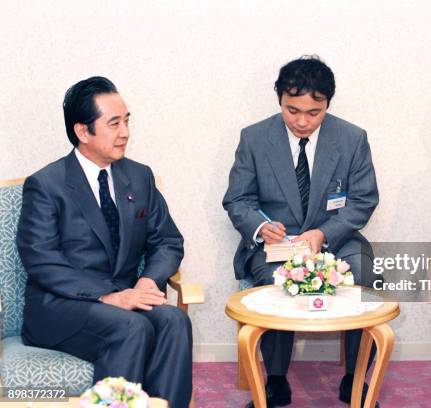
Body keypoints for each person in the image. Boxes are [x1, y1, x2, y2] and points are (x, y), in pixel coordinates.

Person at [17, 76, 193, 408]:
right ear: (83, 131)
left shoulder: (139, 176)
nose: (125, 132)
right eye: (114, 123)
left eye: (127, 121)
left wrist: (146, 281)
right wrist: (109, 296)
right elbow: (40, 260)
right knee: (130, 327)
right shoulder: (46, 185)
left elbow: (168, 240)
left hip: (125, 298)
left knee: (173, 320)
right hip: (61, 308)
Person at [223, 56, 380, 407]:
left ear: (327, 104)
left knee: (366, 275)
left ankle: (355, 380)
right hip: (278, 245)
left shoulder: (352, 138)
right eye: (292, 110)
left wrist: (322, 234)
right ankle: (276, 380)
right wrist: (262, 227)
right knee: (275, 282)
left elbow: (363, 200)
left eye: (314, 112)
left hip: (334, 238)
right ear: (279, 100)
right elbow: (237, 199)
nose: (302, 121)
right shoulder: (254, 138)